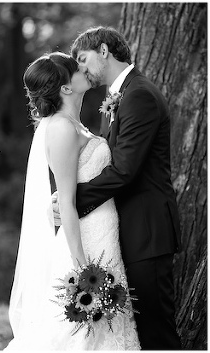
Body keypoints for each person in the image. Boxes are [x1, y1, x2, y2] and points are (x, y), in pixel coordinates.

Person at [5, 52, 139, 350]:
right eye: (77, 69)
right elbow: (66, 201)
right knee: (80, 334)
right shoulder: (62, 129)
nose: (84, 70)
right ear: (66, 88)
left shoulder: (75, 124)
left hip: (105, 231)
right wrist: (82, 268)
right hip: (86, 240)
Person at [71, 26, 181, 350]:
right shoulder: (118, 97)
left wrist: (73, 200)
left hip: (148, 233)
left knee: (158, 333)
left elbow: (124, 170)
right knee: (143, 331)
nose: (81, 69)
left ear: (104, 50)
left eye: (83, 59)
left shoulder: (140, 95)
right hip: (131, 232)